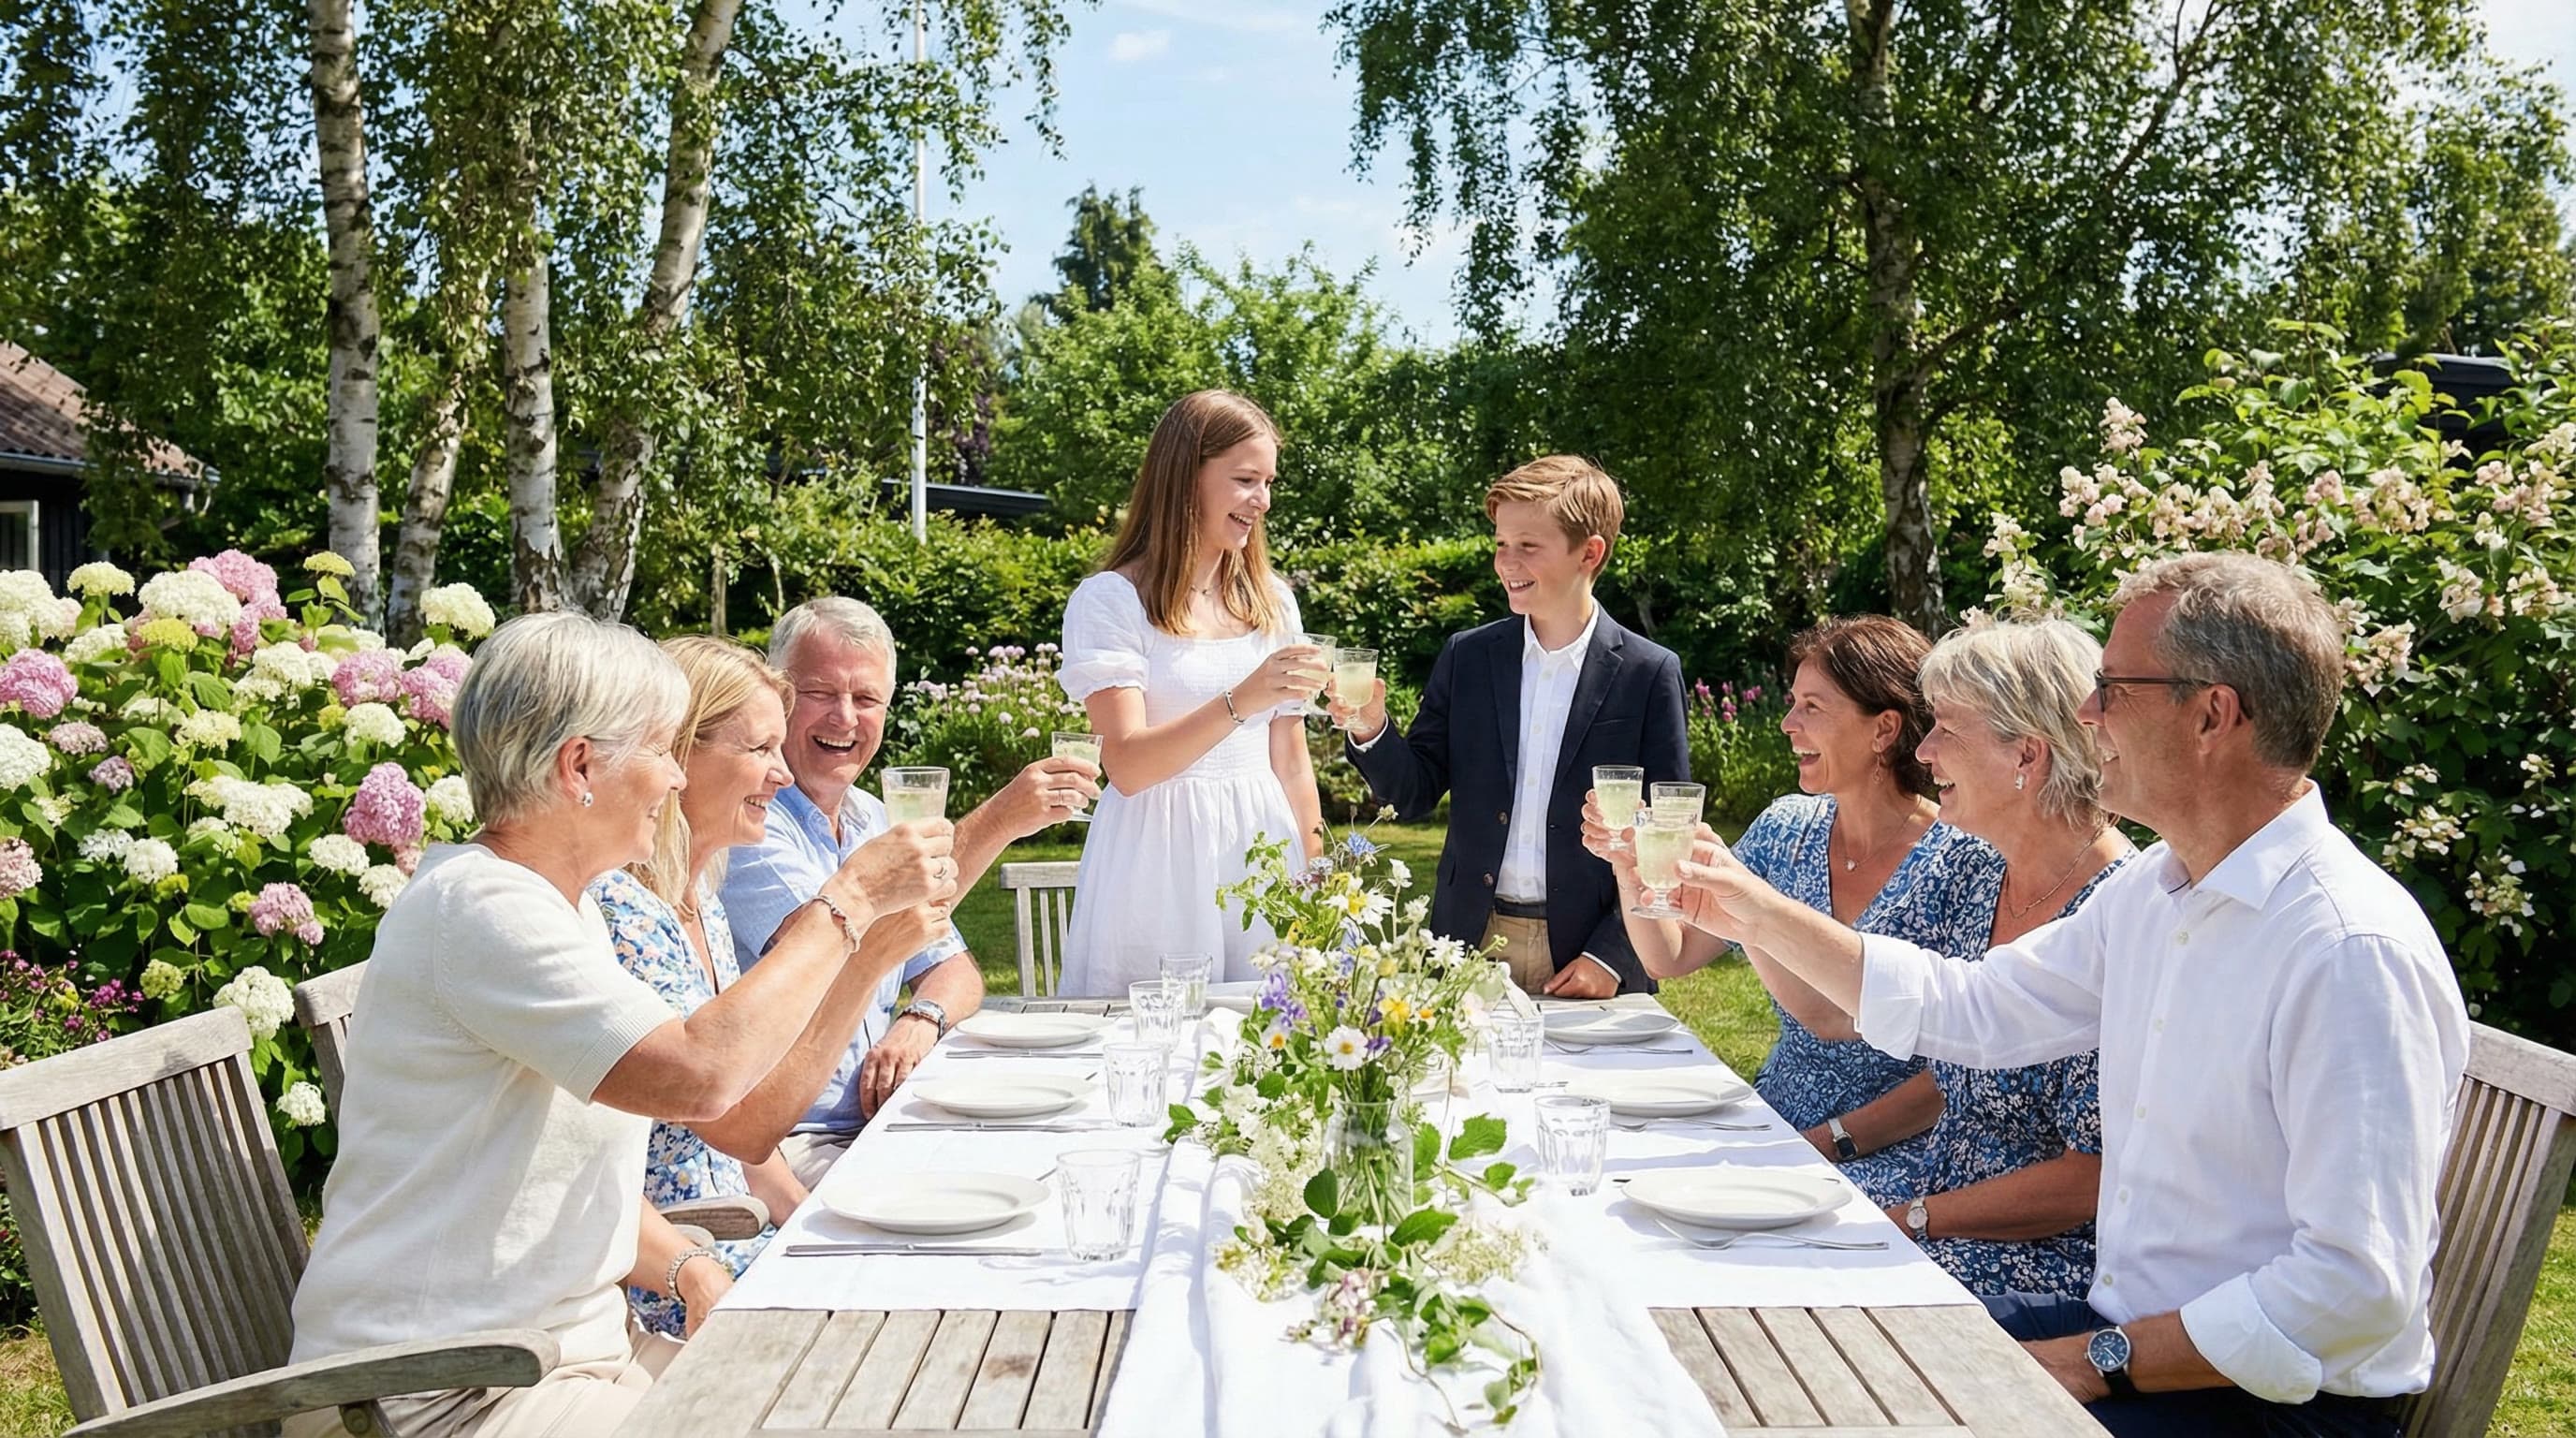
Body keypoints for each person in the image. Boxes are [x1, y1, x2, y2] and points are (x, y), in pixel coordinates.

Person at [1672, 553, 2469, 1438]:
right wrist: (1750, 909)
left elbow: (2354, 1289)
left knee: (1841, 1400)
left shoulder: (2346, 949)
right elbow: (1971, 1009)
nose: (2088, 716)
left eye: (2115, 688)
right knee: (1788, 1360)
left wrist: (2099, 1361)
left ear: (2213, 715)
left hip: (2266, 1400)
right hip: (2132, 1343)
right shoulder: (2161, 891)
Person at [286, 612, 956, 1438]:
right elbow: (702, 1079)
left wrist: (686, 1265)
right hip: (439, 1389)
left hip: (567, 1355)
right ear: (579, 767)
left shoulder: (557, 909)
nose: (675, 781)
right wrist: (847, 904)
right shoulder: (485, 909)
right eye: (659, 751)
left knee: (855, 1385)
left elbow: (567, 1172)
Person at [591, 636, 955, 1334]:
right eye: (758, 750)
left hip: (735, 1237)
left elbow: (755, 1158)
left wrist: (818, 1229)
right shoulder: (622, 912)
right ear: (677, 755)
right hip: (679, 1272)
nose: (780, 775)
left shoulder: (699, 899)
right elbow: (744, 1127)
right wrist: (865, 948)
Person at [724, 597, 1097, 1186]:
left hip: (887, 1116)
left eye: (866, 699)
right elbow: (835, 944)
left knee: (1062, 1154)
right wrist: (1000, 819)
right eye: (821, 692)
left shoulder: (874, 817)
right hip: (789, 1141)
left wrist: (919, 1018)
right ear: (779, 698)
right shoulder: (749, 823)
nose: (845, 718)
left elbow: (958, 972)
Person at [1603, 616, 1979, 1171]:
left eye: (1812, 707)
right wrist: (1630, 867)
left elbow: (1955, 1071)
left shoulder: (1961, 858)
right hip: (1776, 1114)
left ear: (1884, 730)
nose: (1786, 723)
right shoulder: (1785, 827)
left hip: (1895, 1148)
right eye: (1792, 703)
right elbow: (1671, 955)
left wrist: (1830, 1142)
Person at [1332, 454, 1688, 996]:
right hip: (1466, 943)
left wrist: (1612, 957)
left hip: (1586, 955)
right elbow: (1413, 794)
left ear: (1589, 553)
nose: (1506, 562)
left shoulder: (1649, 672)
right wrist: (1370, 726)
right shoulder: (1467, 657)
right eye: (1501, 544)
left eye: (1528, 546)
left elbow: (1669, 835)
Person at [1054, 389, 1329, 994]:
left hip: (1263, 852)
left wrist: (1318, 876)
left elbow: (1291, 760)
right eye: (1245, 480)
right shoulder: (1111, 601)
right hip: (1158, 863)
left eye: (1268, 482)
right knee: (1147, 1051)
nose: (1262, 500)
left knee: (1270, 1055)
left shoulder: (1272, 600)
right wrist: (1241, 700)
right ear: (1186, 477)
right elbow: (1125, 764)